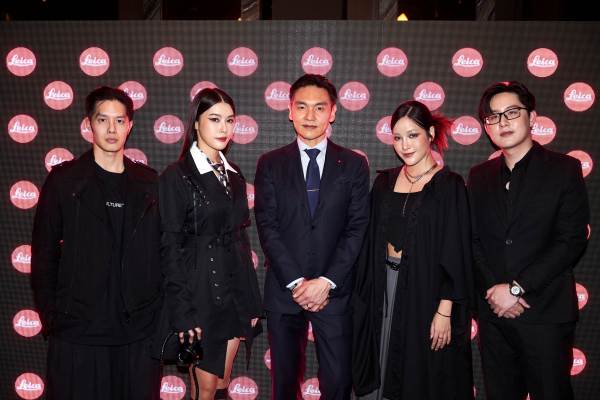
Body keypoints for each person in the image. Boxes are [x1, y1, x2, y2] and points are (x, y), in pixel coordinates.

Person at [31, 86, 162, 399]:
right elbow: (44, 253)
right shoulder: (64, 181)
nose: (111, 129)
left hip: (137, 335)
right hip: (78, 333)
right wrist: (52, 316)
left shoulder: (150, 183)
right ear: (89, 123)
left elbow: (163, 253)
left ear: (130, 125)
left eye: (119, 120)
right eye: (103, 120)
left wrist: (156, 316)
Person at [468, 81, 589, 400]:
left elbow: (571, 240)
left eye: (511, 112)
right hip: (494, 316)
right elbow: (473, 240)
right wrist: (494, 291)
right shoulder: (479, 176)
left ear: (532, 117)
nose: (502, 122)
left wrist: (517, 289)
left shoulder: (565, 169)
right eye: (493, 116)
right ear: (486, 126)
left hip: (545, 314)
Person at [254, 73, 370, 400]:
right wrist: (296, 282)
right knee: (284, 385)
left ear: (332, 112)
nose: (309, 115)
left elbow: (357, 227)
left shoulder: (353, 164)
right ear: (290, 110)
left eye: (319, 108)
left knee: (338, 384)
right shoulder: (270, 164)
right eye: (302, 107)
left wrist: (326, 282)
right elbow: (267, 226)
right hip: (284, 292)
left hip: (335, 293)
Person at [352, 100, 474, 400]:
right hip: (382, 290)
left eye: (412, 135)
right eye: (397, 137)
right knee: (380, 367)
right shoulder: (384, 182)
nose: (404, 145)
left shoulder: (450, 186)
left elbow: (456, 251)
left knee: (418, 374)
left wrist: (445, 310)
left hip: (425, 294)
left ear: (430, 134)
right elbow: (367, 243)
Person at [157, 88, 262, 400]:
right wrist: (183, 311)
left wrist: (251, 299)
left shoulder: (234, 174)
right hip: (199, 292)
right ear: (196, 123)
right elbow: (170, 247)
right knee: (205, 387)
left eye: (229, 120)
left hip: (235, 292)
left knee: (221, 383)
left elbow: (240, 237)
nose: (224, 128)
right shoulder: (177, 176)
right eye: (214, 119)